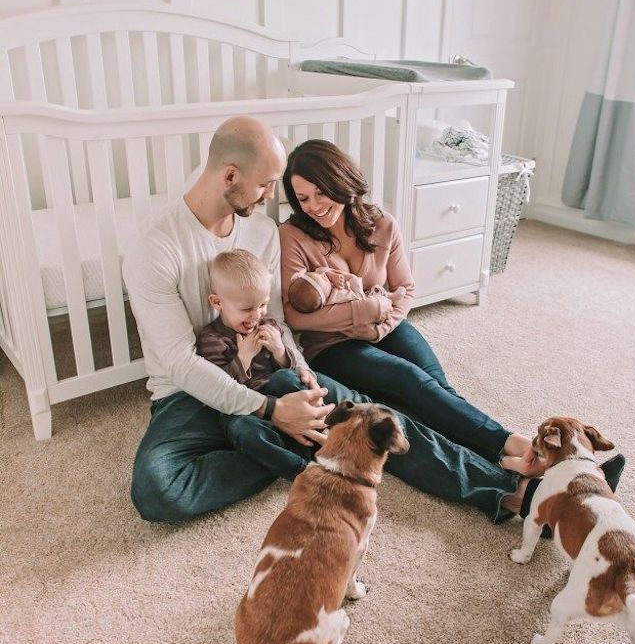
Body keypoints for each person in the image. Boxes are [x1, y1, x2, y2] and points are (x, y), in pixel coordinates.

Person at [122, 115, 536, 524]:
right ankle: (304, 449)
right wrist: (270, 411)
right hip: (188, 394)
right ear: (230, 175)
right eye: (266, 184)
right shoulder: (154, 247)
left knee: (374, 419)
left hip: (269, 377)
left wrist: (295, 372)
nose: (270, 196)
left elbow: (278, 322)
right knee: (157, 490)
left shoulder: (261, 232)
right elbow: (178, 362)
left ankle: (510, 492)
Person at [279, 139, 625, 521]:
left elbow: (405, 290)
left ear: (340, 180)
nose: (313, 205)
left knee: (437, 389)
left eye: (318, 192)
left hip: (386, 328)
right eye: (302, 198)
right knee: (409, 380)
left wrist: (381, 325)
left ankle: (521, 466)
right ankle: (522, 452)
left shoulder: (382, 224)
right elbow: (297, 318)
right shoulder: (293, 236)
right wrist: (365, 311)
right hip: (332, 346)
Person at [196, 249, 314, 479]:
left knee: (288, 378)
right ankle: (302, 471)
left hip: (283, 402)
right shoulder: (212, 339)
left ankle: (308, 443)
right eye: (247, 308)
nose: (256, 315)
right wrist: (244, 356)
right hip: (244, 408)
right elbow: (218, 388)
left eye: (262, 305)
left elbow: (289, 373)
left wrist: (279, 350)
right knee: (239, 428)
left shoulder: (268, 325)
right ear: (217, 302)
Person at [288, 265, 406, 341]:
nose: (323, 277)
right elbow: (358, 296)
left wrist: (330, 275)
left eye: (320, 277)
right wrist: (351, 280)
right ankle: (391, 298)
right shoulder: (335, 297)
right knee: (376, 293)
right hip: (359, 323)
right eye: (325, 281)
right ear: (324, 300)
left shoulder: (318, 284)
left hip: (378, 326)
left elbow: (321, 270)